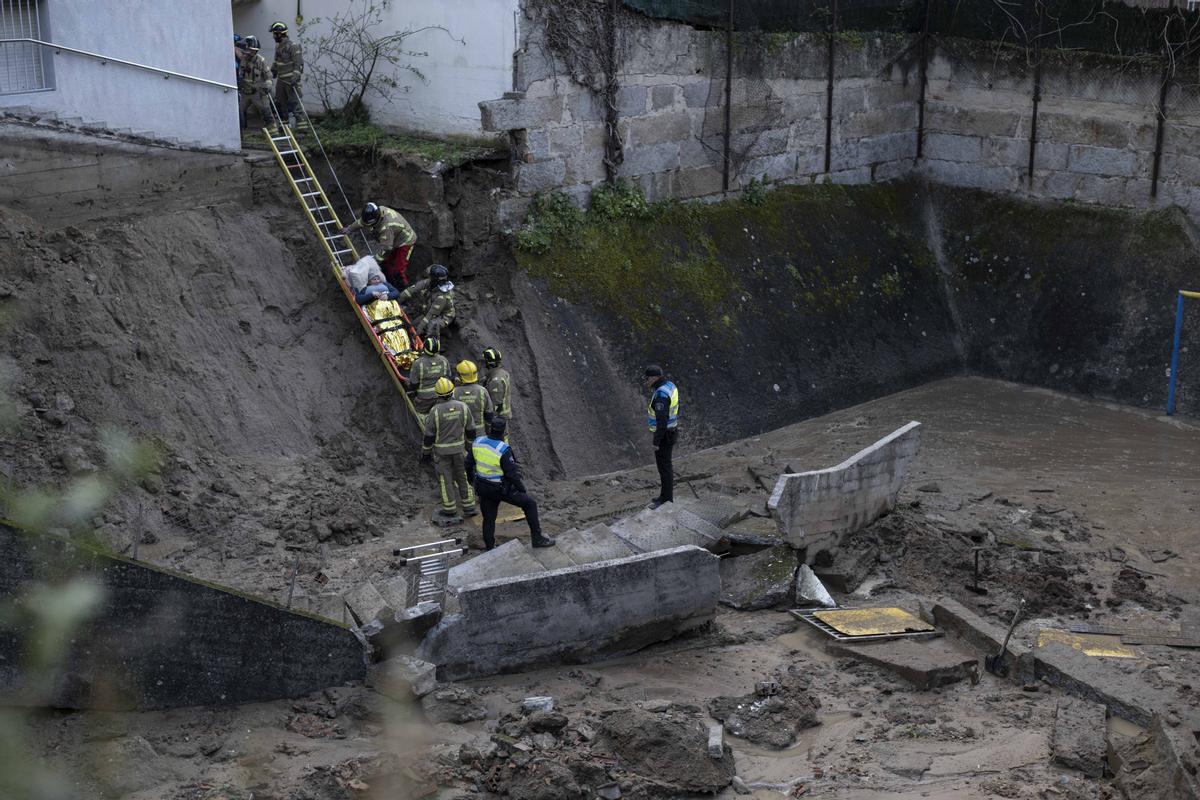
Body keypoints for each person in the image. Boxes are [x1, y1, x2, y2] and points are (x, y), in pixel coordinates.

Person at [467, 418, 554, 549]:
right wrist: (521, 489)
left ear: (490, 429)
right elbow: (512, 474)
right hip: (500, 488)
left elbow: (467, 464)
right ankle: (537, 539)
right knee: (530, 504)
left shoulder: (477, 442)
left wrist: (471, 479)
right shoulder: (503, 449)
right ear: (503, 432)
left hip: (483, 487)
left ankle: (490, 547)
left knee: (489, 518)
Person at [422, 377, 476, 522]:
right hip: (460, 450)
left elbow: (429, 436)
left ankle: (450, 509)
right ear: (452, 391)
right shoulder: (463, 407)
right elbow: (471, 430)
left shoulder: (435, 411)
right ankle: (469, 506)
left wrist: (426, 453)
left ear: (437, 394)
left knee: (445, 480)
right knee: (463, 477)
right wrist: (470, 448)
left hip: (442, 453)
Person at [339, 202, 417, 286]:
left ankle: (402, 289)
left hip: (405, 241)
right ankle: (388, 279)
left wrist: (373, 262)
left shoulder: (386, 228)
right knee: (387, 264)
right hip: (394, 238)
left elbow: (386, 250)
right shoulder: (375, 213)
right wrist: (349, 229)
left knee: (398, 270)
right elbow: (362, 222)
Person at [643, 364, 680, 509]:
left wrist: (656, 441)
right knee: (666, 466)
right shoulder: (669, 386)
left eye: (647, 378)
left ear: (654, 378)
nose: (646, 381)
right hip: (672, 430)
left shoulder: (660, 395)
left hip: (665, 434)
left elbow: (662, 421)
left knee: (664, 467)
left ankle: (666, 500)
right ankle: (665, 496)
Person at [398, 264, 455, 339]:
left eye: (430, 276)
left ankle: (434, 344)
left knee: (432, 325)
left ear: (435, 279)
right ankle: (440, 329)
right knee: (413, 326)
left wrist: (418, 331)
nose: (429, 277)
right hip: (429, 310)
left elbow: (430, 315)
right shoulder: (430, 282)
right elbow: (410, 290)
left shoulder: (442, 297)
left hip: (444, 316)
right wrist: (397, 301)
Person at [269, 21, 303, 130]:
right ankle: (284, 128)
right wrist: (272, 71)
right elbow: (276, 61)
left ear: (280, 34)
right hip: (281, 81)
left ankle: (303, 129)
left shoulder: (293, 46)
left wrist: (295, 77)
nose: (273, 36)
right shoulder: (278, 47)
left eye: (274, 34)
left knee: (295, 105)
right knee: (280, 104)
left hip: (291, 81)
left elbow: (299, 63)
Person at [237, 36, 275, 131]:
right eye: (250, 50)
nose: (252, 53)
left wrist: (267, 86)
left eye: (254, 51)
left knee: (265, 110)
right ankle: (242, 132)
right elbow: (241, 75)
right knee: (240, 111)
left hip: (258, 92)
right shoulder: (243, 60)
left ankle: (272, 131)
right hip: (245, 92)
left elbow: (269, 76)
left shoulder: (261, 61)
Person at [410, 336, 450, 417]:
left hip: (424, 399)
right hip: (442, 395)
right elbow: (449, 378)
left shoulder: (418, 363)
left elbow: (414, 384)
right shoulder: (444, 360)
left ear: (425, 349)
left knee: (421, 415)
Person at [452, 360, 494, 431]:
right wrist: (488, 429)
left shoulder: (454, 392)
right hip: (479, 432)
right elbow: (489, 413)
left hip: (461, 433)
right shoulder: (482, 391)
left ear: (460, 376)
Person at [482, 347, 512, 422]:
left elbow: (497, 404)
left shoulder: (496, 381)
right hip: (502, 417)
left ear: (488, 363)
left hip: (499, 419)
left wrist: (492, 420)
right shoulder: (503, 373)